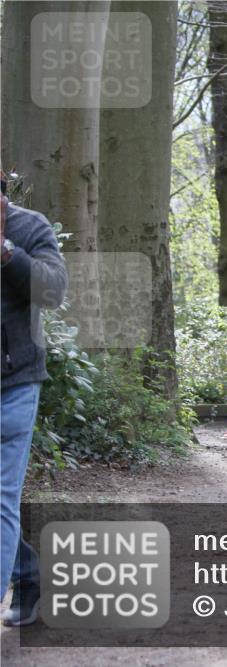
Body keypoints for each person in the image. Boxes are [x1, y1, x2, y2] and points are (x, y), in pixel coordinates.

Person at [1, 171, 68, 625]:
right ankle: (27, 575)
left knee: (1, 498)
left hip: (14, 384)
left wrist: (7, 254)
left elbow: (53, 291)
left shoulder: (31, 227)